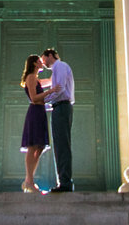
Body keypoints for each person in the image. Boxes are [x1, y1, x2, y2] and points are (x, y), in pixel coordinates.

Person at [41, 47, 74, 193]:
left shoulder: (59, 66)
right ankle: (64, 181)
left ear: (49, 56)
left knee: (62, 146)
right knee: (60, 145)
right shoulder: (58, 69)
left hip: (62, 108)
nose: (43, 63)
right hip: (59, 108)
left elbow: (59, 89)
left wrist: (42, 101)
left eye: (43, 59)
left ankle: (65, 182)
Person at [18, 54, 49, 193]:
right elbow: (34, 98)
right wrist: (51, 92)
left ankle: (29, 180)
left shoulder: (36, 79)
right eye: (39, 61)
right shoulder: (31, 77)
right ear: (35, 63)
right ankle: (29, 180)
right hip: (35, 112)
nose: (41, 63)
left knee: (40, 146)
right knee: (32, 146)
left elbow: (49, 81)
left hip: (40, 112)